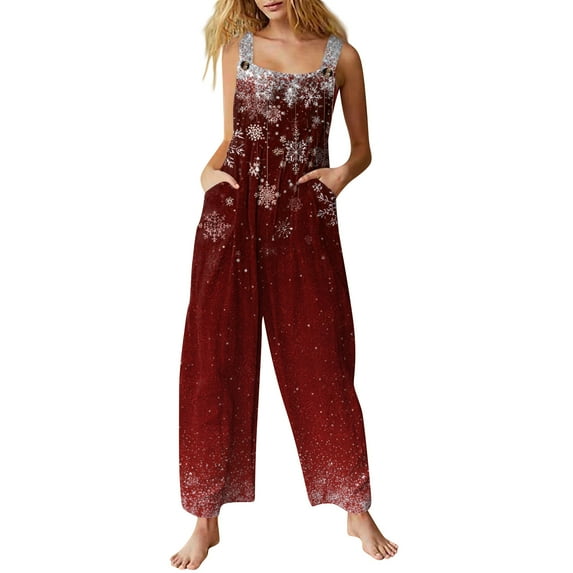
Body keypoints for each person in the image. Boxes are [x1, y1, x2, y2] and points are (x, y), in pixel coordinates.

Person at [170, 0, 398, 569]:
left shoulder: (342, 58)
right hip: (232, 215)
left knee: (324, 358)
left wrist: (340, 177)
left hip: (303, 218)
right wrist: (206, 174)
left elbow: (363, 149)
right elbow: (231, 137)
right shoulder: (238, 50)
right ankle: (205, 518)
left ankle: (354, 506)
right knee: (214, 361)